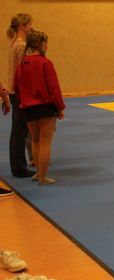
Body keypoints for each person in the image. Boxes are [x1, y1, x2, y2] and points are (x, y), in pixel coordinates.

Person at [14, 31, 64, 185]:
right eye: (45, 43)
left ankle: (37, 173)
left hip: (28, 107)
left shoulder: (22, 64)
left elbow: (17, 87)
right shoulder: (45, 63)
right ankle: (43, 177)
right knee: (45, 142)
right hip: (45, 107)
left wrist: (23, 102)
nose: (47, 46)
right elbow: (54, 88)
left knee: (35, 140)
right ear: (40, 44)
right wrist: (60, 107)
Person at [7, 13, 34, 178]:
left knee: (17, 132)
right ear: (22, 26)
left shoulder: (14, 43)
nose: (31, 27)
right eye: (29, 24)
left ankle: (17, 166)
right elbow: (24, 72)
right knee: (20, 132)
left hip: (14, 91)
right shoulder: (22, 45)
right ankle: (19, 168)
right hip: (20, 92)